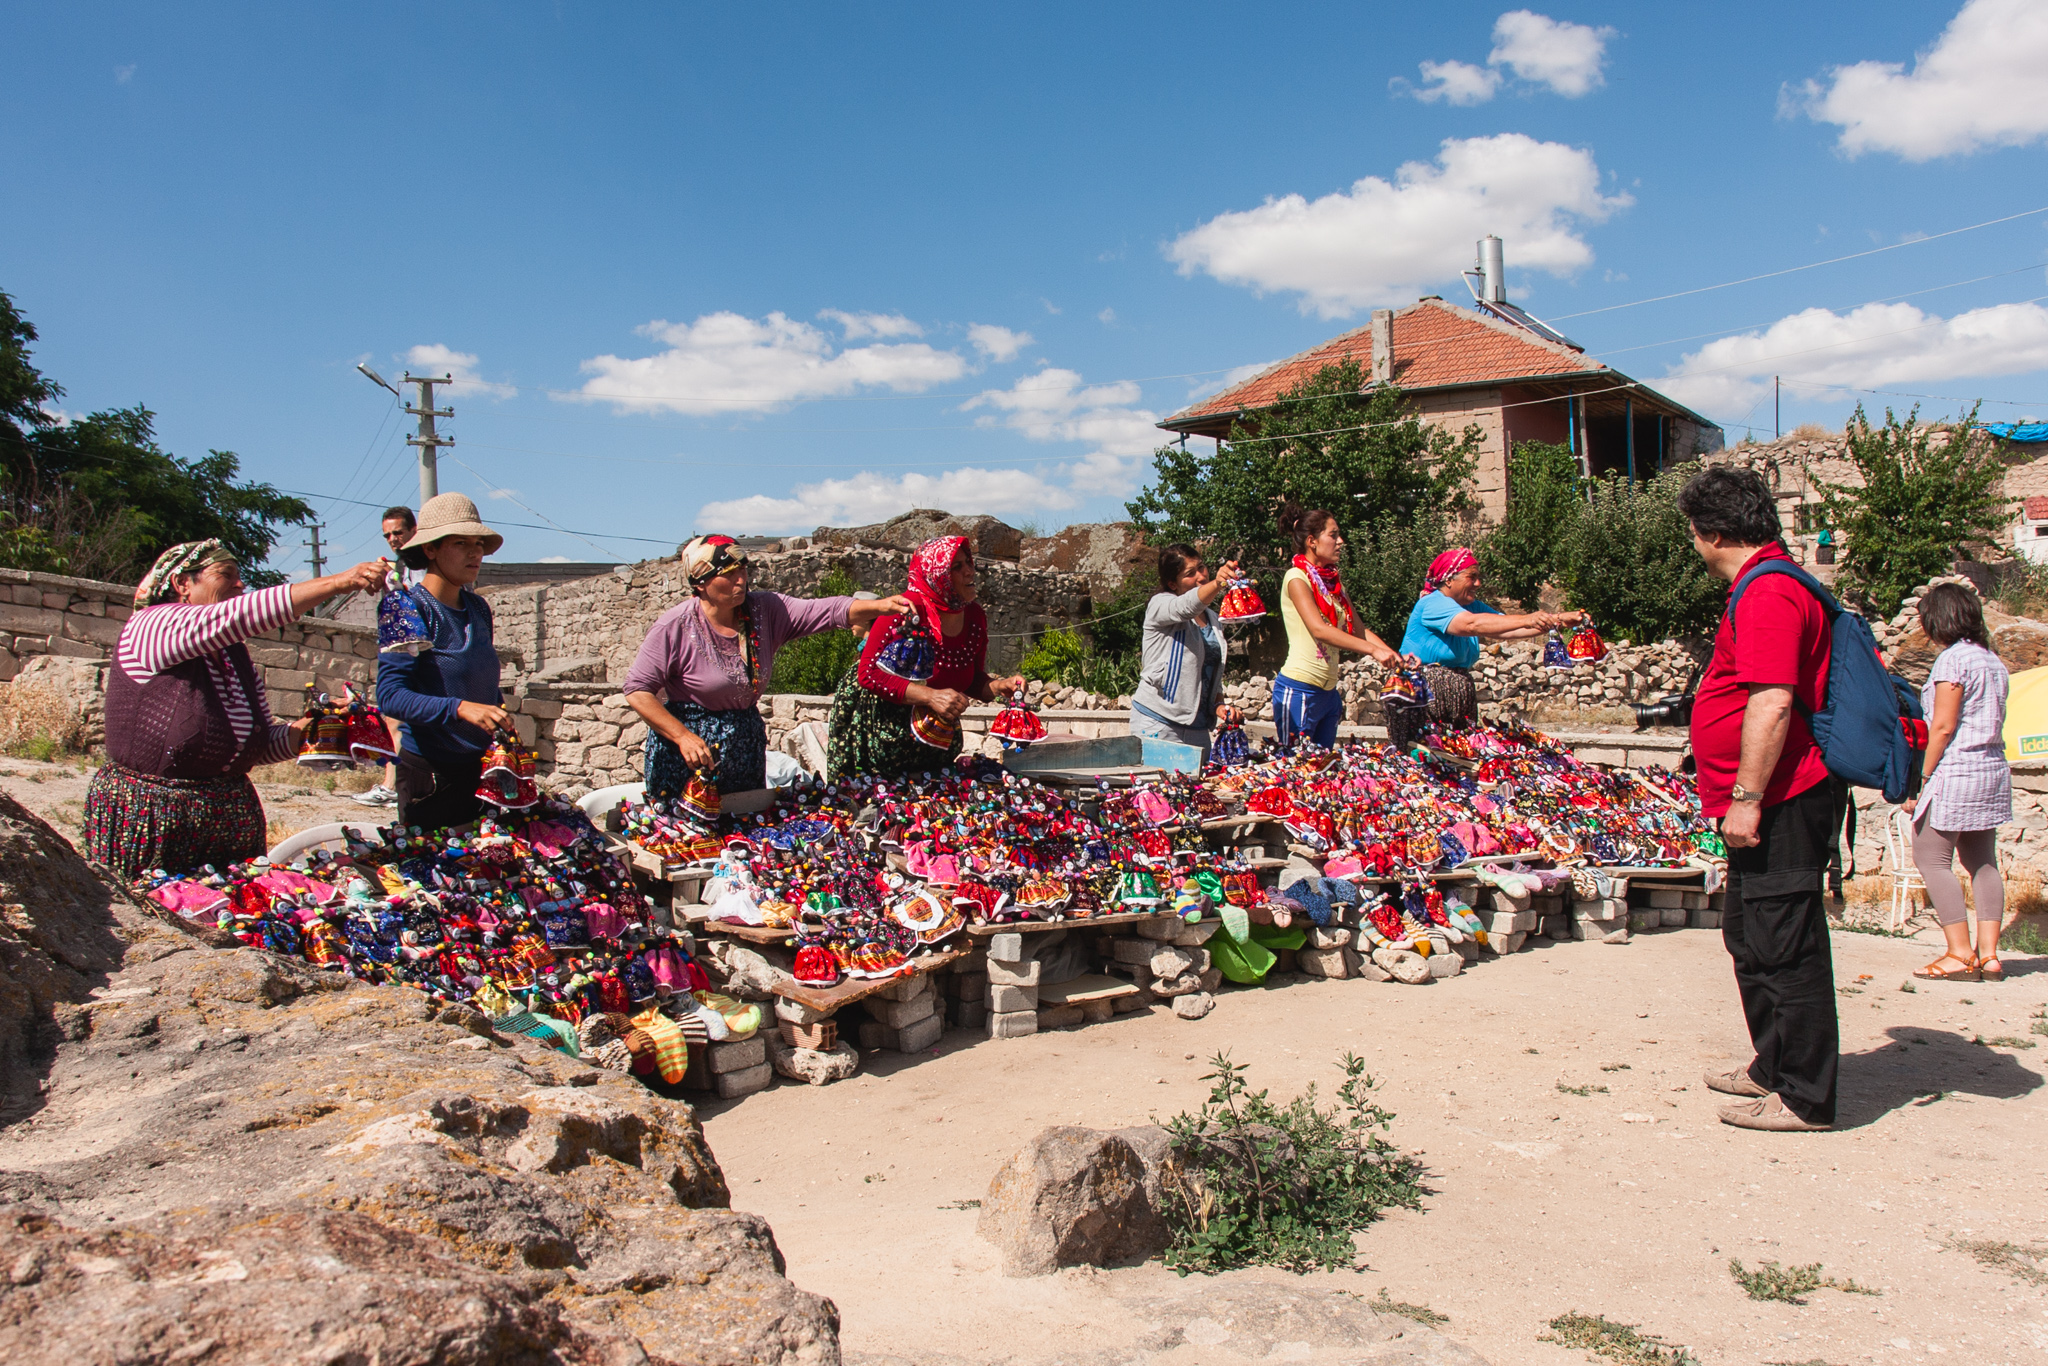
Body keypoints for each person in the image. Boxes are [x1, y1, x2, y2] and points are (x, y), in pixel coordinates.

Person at [1677, 465, 1839, 1133]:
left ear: (1713, 532)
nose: (1693, 544)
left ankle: (1805, 1095)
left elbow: (1772, 703)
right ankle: (1771, 1064)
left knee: (1784, 943)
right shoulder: (1764, 584)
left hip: (1782, 799)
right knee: (1750, 935)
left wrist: (1747, 797)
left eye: (1693, 533)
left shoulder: (1769, 593)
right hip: (1765, 799)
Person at [82, 541, 386, 878]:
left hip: (229, 820)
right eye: (226, 575)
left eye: (241, 578)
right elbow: (238, 615)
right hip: (152, 819)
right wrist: (341, 581)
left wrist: (320, 727)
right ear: (183, 584)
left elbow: (254, 746)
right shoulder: (151, 627)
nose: (240, 585)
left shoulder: (233, 657)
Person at [622, 534, 913, 798]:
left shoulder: (764, 611)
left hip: (743, 749)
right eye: (728, 574)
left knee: (742, 835)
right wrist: (682, 736)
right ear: (701, 583)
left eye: (742, 570)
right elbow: (637, 690)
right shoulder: (675, 627)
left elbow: (825, 610)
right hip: (688, 756)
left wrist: (883, 607)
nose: (741, 580)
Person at [827, 535, 1026, 779]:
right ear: (937, 574)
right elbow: (868, 674)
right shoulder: (903, 609)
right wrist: (930, 696)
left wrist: (998, 686)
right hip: (883, 742)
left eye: (969, 563)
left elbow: (970, 678)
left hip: (936, 742)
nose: (970, 572)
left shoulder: (974, 617)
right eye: (957, 567)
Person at [376, 493, 512, 832]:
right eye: (461, 542)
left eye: (479, 543)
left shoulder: (478, 609)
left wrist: (496, 713)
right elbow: (391, 696)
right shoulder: (405, 608)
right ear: (431, 549)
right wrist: (460, 708)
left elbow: (479, 681)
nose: (475, 552)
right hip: (430, 775)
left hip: (479, 769)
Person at [1907, 583, 2013, 983]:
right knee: (1983, 861)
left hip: (1957, 770)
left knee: (1930, 857)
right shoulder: (1992, 660)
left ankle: (1958, 951)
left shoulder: (1952, 661)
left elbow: (1944, 726)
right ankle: (1989, 955)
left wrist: (1924, 776)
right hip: (1991, 768)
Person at [1392, 547, 1583, 748]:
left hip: (1455, 697)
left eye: (1478, 577)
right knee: (1426, 756)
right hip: (1424, 696)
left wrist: (1558, 620)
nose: (1478, 583)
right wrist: (1528, 618)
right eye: (1471, 577)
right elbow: (1470, 624)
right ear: (1449, 580)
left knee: (1459, 759)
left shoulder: (1471, 606)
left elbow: (1506, 629)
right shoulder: (1433, 604)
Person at [1271, 502, 1411, 751]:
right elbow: (1320, 629)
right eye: (1333, 535)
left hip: (1328, 694)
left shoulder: (1332, 584)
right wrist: (1371, 651)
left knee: (1325, 773)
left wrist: (1393, 655)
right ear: (1312, 541)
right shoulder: (1296, 578)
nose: (1341, 541)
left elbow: (1358, 630)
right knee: (1296, 771)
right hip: (1300, 689)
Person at [1129, 545, 1238, 763]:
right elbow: (1186, 607)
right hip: (1159, 722)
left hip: (1198, 727)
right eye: (1190, 574)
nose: (1201, 576)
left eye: (1202, 567)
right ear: (1172, 584)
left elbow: (1210, 669)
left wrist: (1219, 705)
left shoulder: (1212, 618)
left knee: (1200, 794)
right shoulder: (1160, 605)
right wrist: (1218, 583)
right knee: (1157, 795)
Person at [353, 505, 416, 809]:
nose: (392, 538)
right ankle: (393, 784)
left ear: (413, 531)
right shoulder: (402, 564)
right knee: (393, 718)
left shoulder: (422, 565)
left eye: (398, 532)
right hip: (401, 650)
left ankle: (395, 787)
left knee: (397, 719)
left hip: (418, 652)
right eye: (387, 534)